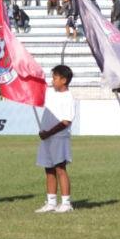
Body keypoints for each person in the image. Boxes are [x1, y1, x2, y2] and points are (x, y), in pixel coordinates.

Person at [36, 65, 77, 214]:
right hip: (47, 137)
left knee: (60, 168)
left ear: (64, 80)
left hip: (59, 137)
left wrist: (50, 132)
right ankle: (51, 202)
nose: (52, 81)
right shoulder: (51, 93)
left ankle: (66, 202)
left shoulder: (68, 97)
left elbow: (66, 121)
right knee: (48, 169)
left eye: (55, 78)